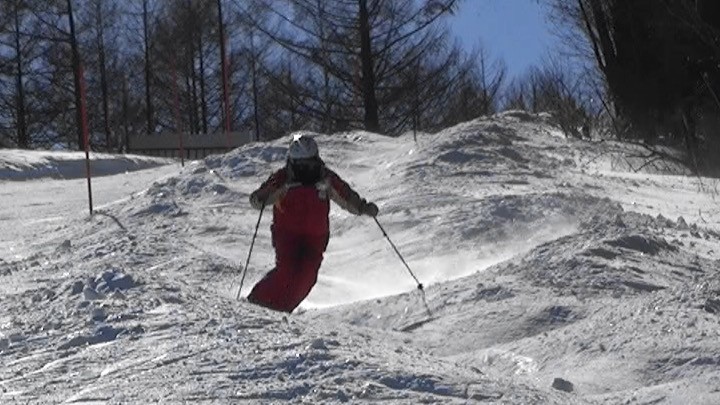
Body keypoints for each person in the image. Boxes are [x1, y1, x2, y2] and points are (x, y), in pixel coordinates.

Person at [246, 133, 379, 312]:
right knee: (286, 271)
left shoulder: (326, 178)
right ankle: (256, 301)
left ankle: (283, 308)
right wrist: (260, 199)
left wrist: (363, 207)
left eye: (309, 164)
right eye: (301, 166)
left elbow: (345, 195)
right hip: (287, 235)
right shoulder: (283, 178)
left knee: (307, 278)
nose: (306, 170)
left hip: (315, 238)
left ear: (316, 159)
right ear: (292, 162)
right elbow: (259, 197)